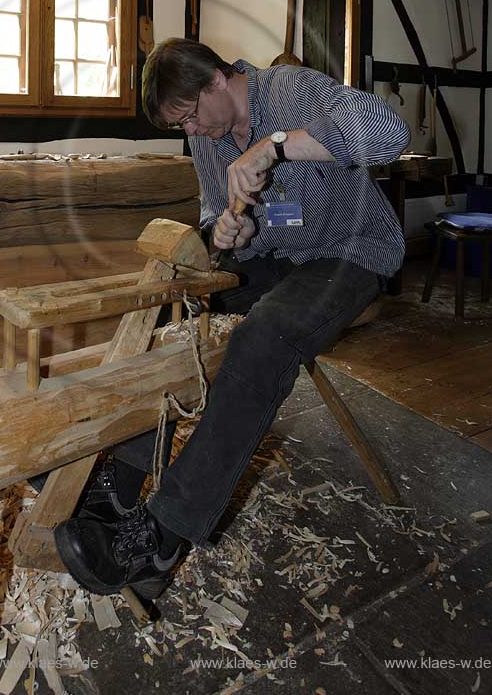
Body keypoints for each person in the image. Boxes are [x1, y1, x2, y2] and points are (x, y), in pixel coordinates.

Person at [55, 38, 410, 600]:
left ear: (219, 80)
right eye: (182, 127)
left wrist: (273, 147)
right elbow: (217, 213)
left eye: (192, 115)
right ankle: (121, 483)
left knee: (260, 340)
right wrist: (228, 231)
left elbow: (390, 131)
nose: (193, 132)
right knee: (174, 319)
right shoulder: (208, 139)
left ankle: (163, 535)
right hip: (279, 257)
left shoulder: (290, 92)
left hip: (350, 249)